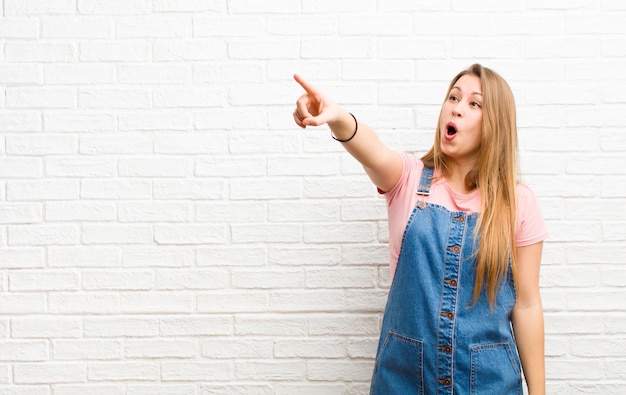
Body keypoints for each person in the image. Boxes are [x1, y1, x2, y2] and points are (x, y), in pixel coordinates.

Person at [292, 64, 548, 395]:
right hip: (403, 378)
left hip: (490, 382)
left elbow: (526, 305)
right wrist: (338, 117)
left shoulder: (518, 203)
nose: (456, 106)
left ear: (495, 125)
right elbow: (373, 150)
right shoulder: (408, 180)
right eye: (453, 97)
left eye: (474, 103)